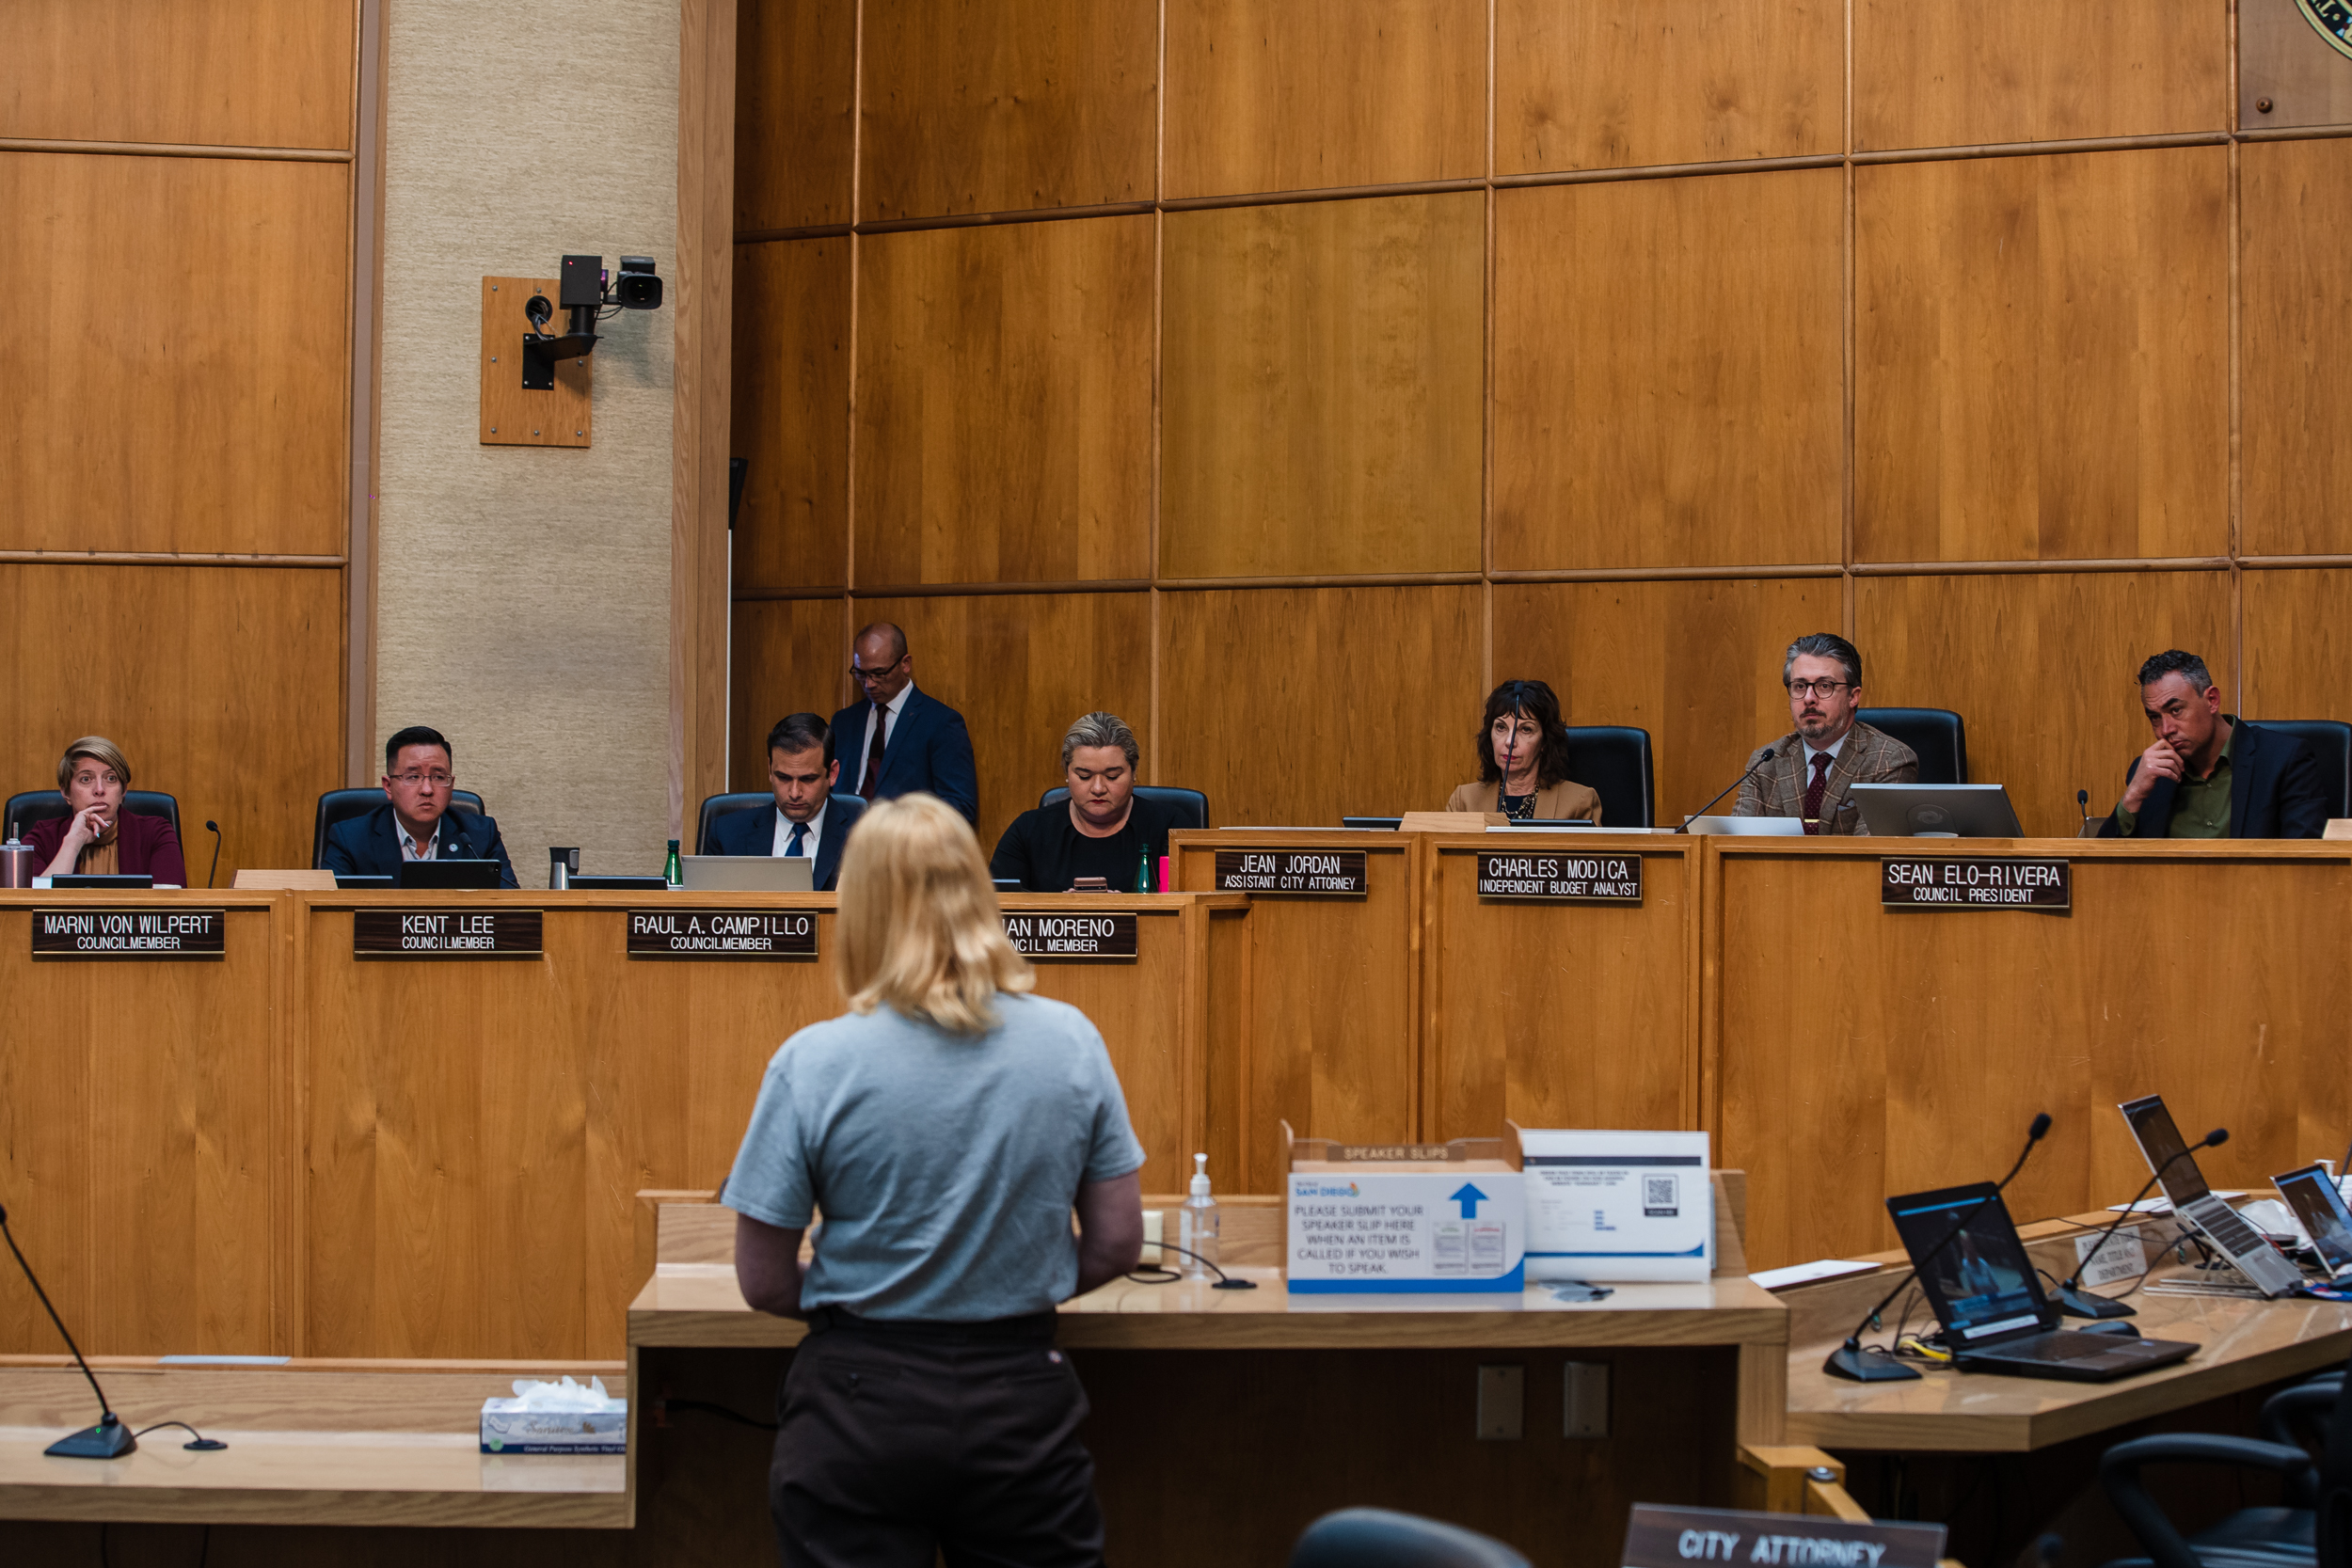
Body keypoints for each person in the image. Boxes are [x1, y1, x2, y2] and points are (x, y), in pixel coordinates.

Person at [723, 792, 1145, 1568]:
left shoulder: (812, 1061)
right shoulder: (1071, 1042)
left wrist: (874, 1291)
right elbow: (1119, 1241)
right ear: (979, 895)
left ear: (861, 909)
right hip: (1019, 1396)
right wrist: (1014, 1279)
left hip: (857, 1404)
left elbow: (764, 1279)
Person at [2101, 650, 2327, 839]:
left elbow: (2303, 860)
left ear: (2212, 700)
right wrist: (2133, 797)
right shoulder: (2151, 774)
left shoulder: (2284, 759)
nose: (2165, 730)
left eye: (2176, 710)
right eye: (2154, 717)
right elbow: (2104, 867)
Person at [1734, 632, 1917, 834]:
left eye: (1824, 686)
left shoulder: (1888, 761)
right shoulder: (1765, 762)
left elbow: (1869, 849)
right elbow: (1737, 844)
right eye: (1800, 686)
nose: (1809, 698)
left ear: (1853, 696)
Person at [992, 713, 1177, 891]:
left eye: (1112, 776)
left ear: (1134, 771)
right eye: (1084, 776)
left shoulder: (1171, 828)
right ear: (1066, 772)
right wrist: (1061, 907)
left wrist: (1124, 907)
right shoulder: (1028, 830)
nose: (1098, 788)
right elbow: (994, 904)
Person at [322, 725, 519, 886]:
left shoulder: (480, 836)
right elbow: (330, 911)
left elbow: (510, 908)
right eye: (413, 777)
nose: (427, 789)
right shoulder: (350, 839)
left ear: (451, 785)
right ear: (388, 786)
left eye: (438, 777)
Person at [829, 622, 979, 826]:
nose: (869, 684)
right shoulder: (844, 722)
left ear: (905, 664)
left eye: (879, 673)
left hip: (905, 842)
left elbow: (960, 807)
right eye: (861, 674)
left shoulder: (941, 722)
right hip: (845, 841)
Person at [709, 713, 866, 891]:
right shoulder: (726, 834)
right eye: (783, 778)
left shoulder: (865, 837)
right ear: (770, 769)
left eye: (808, 779)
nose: (794, 793)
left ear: (832, 773)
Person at [25, 736, 186, 884]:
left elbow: (170, 902)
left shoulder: (156, 833)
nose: (99, 789)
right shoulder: (41, 838)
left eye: (111, 778)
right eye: (86, 779)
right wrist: (73, 843)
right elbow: (32, 904)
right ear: (66, 793)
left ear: (123, 791)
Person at [1444, 679, 1602, 822]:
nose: (1509, 741)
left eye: (1525, 729)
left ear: (1545, 741)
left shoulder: (1578, 802)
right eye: (1501, 727)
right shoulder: (1464, 801)